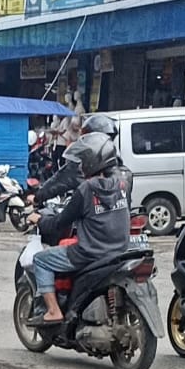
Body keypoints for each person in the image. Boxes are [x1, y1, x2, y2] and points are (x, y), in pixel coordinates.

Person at [26, 131, 131, 325]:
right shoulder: (122, 184)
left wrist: (39, 220)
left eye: (83, 161)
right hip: (120, 250)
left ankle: (53, 311)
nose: (81, 166)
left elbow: (60, 222)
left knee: (40, 260)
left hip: (90, 252)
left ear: (93, 161)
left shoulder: (86, 189)